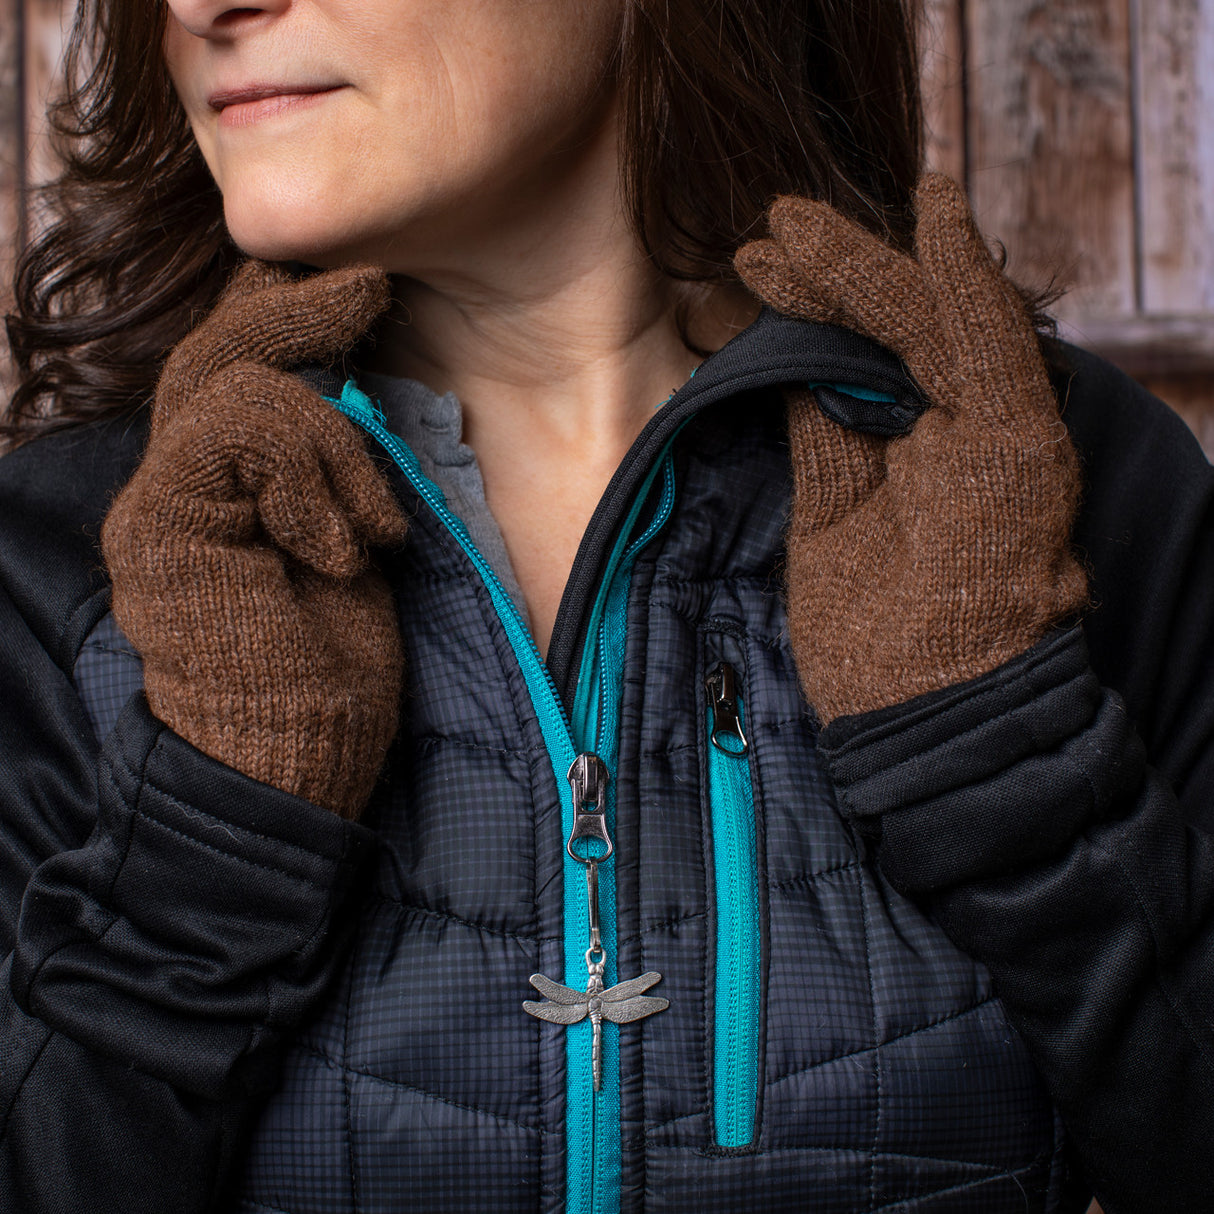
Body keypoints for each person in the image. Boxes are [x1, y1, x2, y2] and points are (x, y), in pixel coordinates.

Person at [1, 0, 1211, 1211]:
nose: (203, 2)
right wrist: (211, 827)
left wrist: (994, 747)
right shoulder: (64, 561)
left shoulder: (1056, 483)